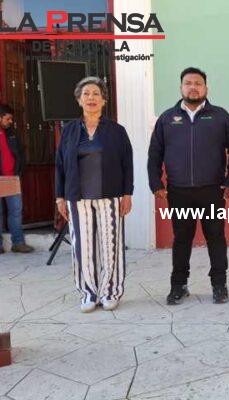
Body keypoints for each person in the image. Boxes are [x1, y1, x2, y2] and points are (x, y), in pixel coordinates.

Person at [148, 67, 229, 306]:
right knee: (181, 239)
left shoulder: (220, 116)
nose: (193, 87)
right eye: (188, 83)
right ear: (181, 87)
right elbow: (155, 153)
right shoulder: (167, 118)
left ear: (206, 88)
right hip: (178, 191)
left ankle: (219, 285)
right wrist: (156, 183)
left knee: (216, 237)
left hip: (212, 190)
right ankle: (178, 285)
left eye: (198, 83)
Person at [55, 77, 133, 313]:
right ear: (79, 100)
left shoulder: (116, 131)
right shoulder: (69, 131)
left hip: (110, 196)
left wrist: (127, 194)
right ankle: (88, 293)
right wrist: (60, 197)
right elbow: (60, 165)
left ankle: (110, 292)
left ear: (104, 100)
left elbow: (127, 164)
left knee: (111, 247)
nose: (91, 98)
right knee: (83, 248)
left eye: (96, 94)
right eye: (86, 94)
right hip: (77, 198)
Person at [0, 104, 34, 254]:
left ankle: (18, 243)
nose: (10, 121)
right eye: (8, 119)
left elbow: (20, 153)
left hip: (12, 179)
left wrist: (19, 171)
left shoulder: (12, 134)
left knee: (15, 212)